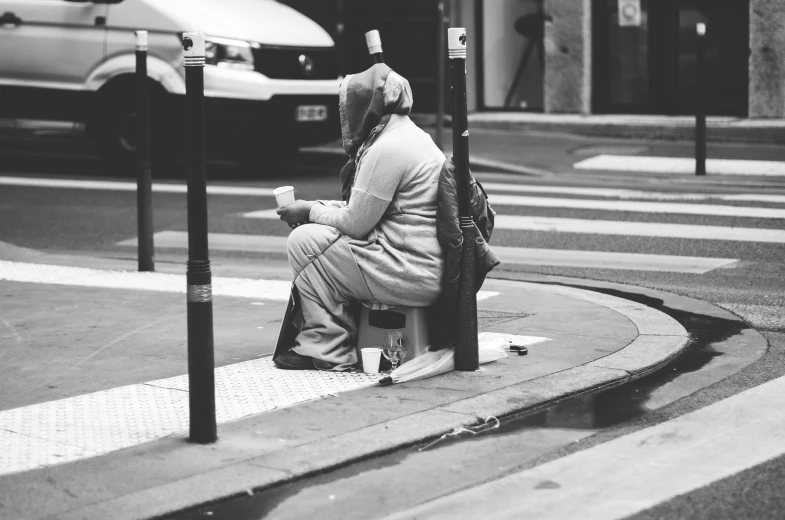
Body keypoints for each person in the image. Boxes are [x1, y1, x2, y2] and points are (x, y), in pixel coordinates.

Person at [274, 64, 445, 371]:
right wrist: (316, 208)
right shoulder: (413, 136)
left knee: (303, 242)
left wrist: (310, 212)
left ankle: (328, 348)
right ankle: (330, 339)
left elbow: (356, 223)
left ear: (367, 107)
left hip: (408, 270)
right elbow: (366, 208)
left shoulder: (388, 148)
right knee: (319, 239)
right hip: (421, 265)